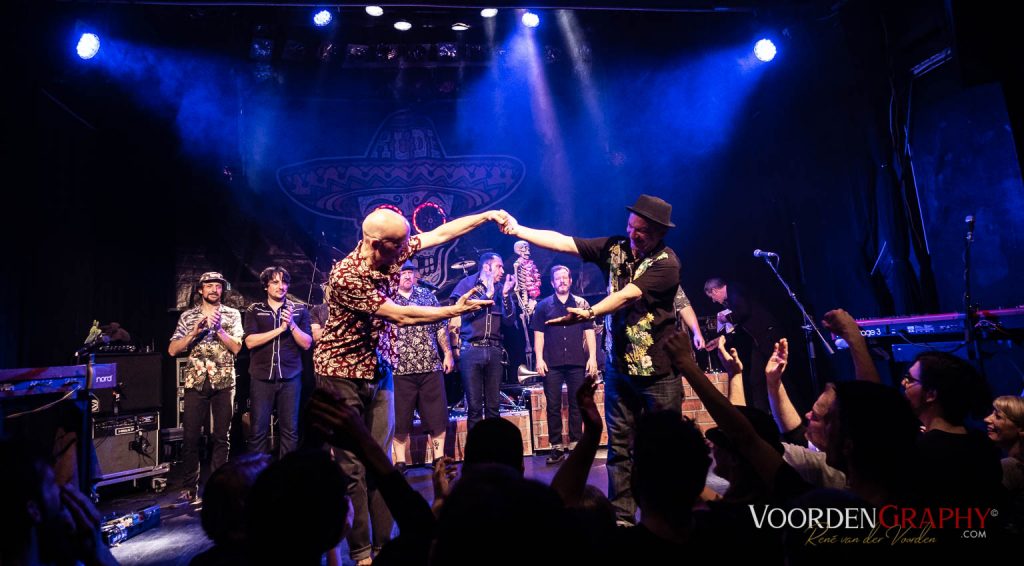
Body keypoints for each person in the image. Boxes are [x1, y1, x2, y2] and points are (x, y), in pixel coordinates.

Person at [312, 207, 507, 565]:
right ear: (376, 244)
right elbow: (400, 315)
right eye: (398, 244)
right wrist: (453, 311)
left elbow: (440, 234)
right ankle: (361, 553)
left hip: (378, 369)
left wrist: (486, 216)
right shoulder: (346, 276)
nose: (407, 249)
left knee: (381, 461)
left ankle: (385, 547)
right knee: (353, 468)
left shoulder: (393, 251)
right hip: (341, 373)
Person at [502, 194, 684, 526]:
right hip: (619, 369)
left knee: (665, 448)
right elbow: (563, 242)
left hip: (657, 372)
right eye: (630, 227)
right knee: (619, 447)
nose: (633, 234)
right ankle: (623, 520)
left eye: (641, 231)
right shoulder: (614, 248)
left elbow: (627, 295)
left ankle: (667, 517)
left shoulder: (667, 263)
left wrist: (589, 312)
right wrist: (518, 230)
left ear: (659, 232)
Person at [169, 271, 243, 504]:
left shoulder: (232, 314)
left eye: (218, 286)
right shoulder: (188, 316)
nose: (214, 290)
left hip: (224, 381)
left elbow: (237, 348)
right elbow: (172, 350)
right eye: (209, 286)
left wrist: (219, 329)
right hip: (196, 380)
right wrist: (194, 333)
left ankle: (219, 487)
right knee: (191, 437)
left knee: (221, 437)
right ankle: (189, 487)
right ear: (200, 290)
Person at [380, 260, 454, 470]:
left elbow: (440, 327)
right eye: (403, 272)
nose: (407, 276)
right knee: (400, 419)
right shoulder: (387, 299)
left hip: (430, 366)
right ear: (395, 276)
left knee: (437, 417)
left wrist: (448, 353)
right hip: (398, 369)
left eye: (410, 272)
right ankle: (400, 462)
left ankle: (438, 459)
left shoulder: (427, 296)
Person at [531, 265, 598, 464]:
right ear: (552, 283)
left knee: (577, 404)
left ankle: (576, 443)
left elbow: (589, 332)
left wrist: (592, 357)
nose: (561, 281)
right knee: (553, 406)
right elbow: (539, 334)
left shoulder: (581, 304)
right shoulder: (543, 306)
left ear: (570, 281)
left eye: (564, 277)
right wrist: (539, 358)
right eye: (558, 278)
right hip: (552, 363)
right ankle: (557, 447)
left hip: (576, 362)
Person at [243, 267, 312, 458]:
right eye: (275, 282)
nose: (280, 286)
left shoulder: (299, 309)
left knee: (290, 431)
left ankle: (287, 473)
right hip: (261, 377)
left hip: (290, 377)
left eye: (284, 282)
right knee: (258, 431)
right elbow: (250, 342)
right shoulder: (255, 309)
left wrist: (292, 325)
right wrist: (280, 329)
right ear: (266, 286)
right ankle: (258, 472)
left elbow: (306, 343)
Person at [448, 252, 517, 432]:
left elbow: (509, 321)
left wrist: (506, 296)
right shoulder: (466, 285)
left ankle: (493, 447)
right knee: (474, 407)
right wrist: (487, 295)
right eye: (499, 266)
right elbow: (460, 314)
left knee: (494, 407)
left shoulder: (501, 288)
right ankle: (476, 448)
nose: (502, 271)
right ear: (487, 267)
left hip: (494, 351)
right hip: (472, 350)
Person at [704, 277, 780, 413]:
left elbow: (743, 312)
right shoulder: (733, 295)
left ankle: (773, 413)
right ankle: (763, 414)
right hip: (759, 340)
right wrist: (719, 340)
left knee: (769, 378)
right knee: (756, 380)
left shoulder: (734, 290)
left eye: (712, 297)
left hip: (769, 336)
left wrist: (726, 318)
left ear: (714, 291)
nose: (714, 301)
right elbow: (739, 326)